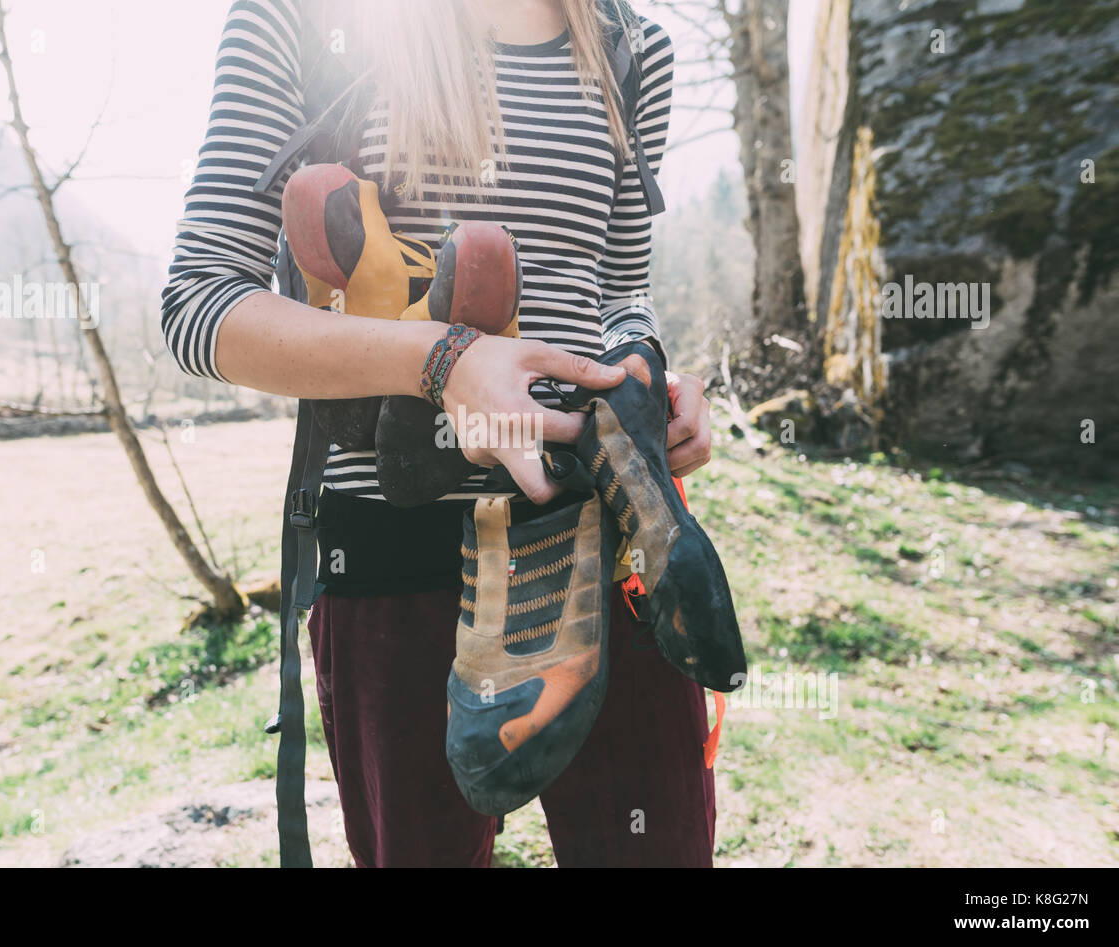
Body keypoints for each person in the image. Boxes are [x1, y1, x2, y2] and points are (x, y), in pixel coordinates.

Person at [162, 0, 718, 867]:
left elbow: (618, 290)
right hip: (391, 558)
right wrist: (444, 361)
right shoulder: (305, 19)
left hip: (608, 539)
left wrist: (648, 371)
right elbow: (201, 303)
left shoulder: (627, 40)